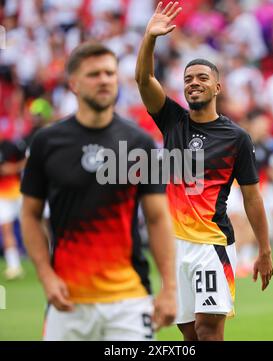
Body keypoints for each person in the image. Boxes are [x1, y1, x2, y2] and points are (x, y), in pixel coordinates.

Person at [135, 1, 273, 341]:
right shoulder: (172, 120)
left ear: (217, 88)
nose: (193, 83)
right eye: (188, 79)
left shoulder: (236, 138)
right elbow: (143, 78)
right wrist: (150, 38)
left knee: (208, 331)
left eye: (202, 77)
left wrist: (264, 250)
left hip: (211, 245)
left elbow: (252, 197)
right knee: (189, 336)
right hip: (174, 246)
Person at [20, 41, 176, 341]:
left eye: (110, 73)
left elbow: (157, 218)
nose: (104, 80)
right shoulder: (46, 143)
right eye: (94, 74)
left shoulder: (139, 143)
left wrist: (169, 289)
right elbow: (30, 215)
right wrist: (46, 276)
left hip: (130, 301)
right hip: (68, 302)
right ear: (74, 84)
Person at [0, 136, 25, 280]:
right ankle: (14, 266)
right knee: (6, 229)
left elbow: (27, 161)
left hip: (19, 192)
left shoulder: (11, 145)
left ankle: (48, 259)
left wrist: (13, 168)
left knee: (32, 227)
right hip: (2, 196)